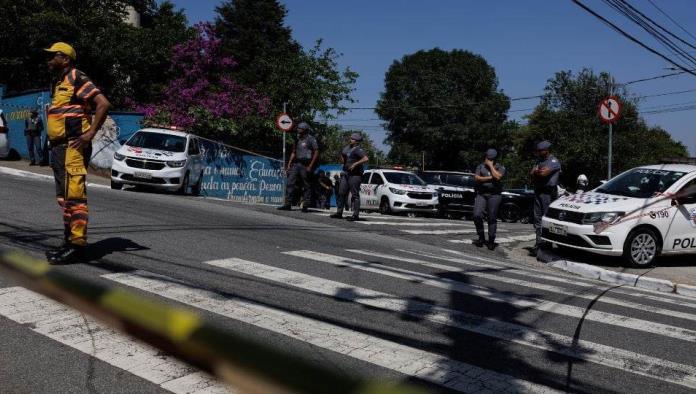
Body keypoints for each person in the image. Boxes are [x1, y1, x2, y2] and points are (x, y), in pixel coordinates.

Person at [44, 42, 111, 264]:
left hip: (73, 146)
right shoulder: (59, 81)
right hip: (59, 147)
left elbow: (103, 103)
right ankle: (69, 241)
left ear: (65, 58)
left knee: (74, 196)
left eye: (53, 55)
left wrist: (90, 133)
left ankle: (77, 246)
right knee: (64, 198)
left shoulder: (77, 77)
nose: (49, 59)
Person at [278, 122, 319, 212]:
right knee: (290, 182)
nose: (298, 130)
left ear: (305, 130)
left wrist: (310, 166)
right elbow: (293, 152)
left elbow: (316, 152)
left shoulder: (311, 139)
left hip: (306, 164)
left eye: (300, 129)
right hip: (297, 164)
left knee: (306, 185)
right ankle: (288, 204)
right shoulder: (297, 139)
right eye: (298, 128)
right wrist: (289, 164)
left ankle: (305, 205)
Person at [530, 140, 562, 256]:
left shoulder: (553, 161)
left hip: (548, 193)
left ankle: (547, 245)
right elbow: (532, 172)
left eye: (541, 151)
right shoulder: (539, 161)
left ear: (547, 150)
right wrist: (537, 172)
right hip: (539, 191)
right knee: (537, 219)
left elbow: (543, 173)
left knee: (546, 220)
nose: (539, 152)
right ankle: (539, 243)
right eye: (538, 151)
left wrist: (537, 172)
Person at [472, 148, 506, 250]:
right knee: (477, 215)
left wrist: (491, 166)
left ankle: (491, 240)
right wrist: (491, 178)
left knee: (492, 217)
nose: (488, 159)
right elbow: (477, 178)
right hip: (482, 194)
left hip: (494, 195)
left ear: (494, 159)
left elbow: (498, 177)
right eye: (487, 158)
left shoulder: (500, 167)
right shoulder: (480, 166)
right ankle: (481, 237)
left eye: (491, 159)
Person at [331, 133, 369, 221]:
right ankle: (339, 212)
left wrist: (355, 163)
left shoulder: (358, 149)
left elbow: (366, 158)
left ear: (357, 141)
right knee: (341, 192)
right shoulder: (347, 147)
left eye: (353, 139)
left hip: (355, 175)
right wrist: (342, 159)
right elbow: (343, 155)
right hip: (346, 173)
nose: (351, 140)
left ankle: (355, 215)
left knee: (355, 195)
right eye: (351, 138)